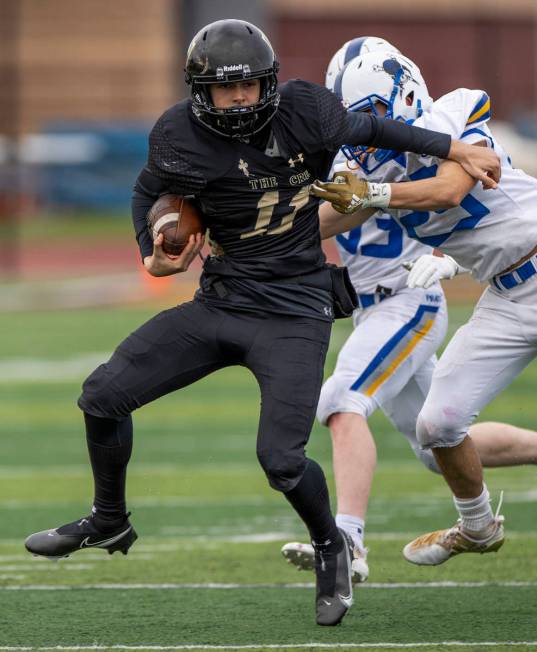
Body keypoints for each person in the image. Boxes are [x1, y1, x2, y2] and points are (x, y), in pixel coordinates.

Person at [23, 20, 500, 626]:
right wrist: (152, 248)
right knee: (102, 397)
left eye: (250, 85)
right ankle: (109, 519)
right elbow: (149, 191)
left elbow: (373, 125)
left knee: (281, 459)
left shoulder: (305, 110)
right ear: (202, 92)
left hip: (296, 310)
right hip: (222, 302)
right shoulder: (177, 134)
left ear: (268, 83)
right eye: (228, 89)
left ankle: (334, 545)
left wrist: (451, 147)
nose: (242, 97)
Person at [282, 41, 537, 583]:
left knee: (352, 403)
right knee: (437, 425)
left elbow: (448, 190)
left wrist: (371, 193)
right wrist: (241, 237)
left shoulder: (455, 108)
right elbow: (329, 218)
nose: (368, 126)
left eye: (372, 111)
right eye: (359, 118)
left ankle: (349, 537)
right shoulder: (363, 156)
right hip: (508, 295)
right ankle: (477, 526)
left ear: (403, 88)